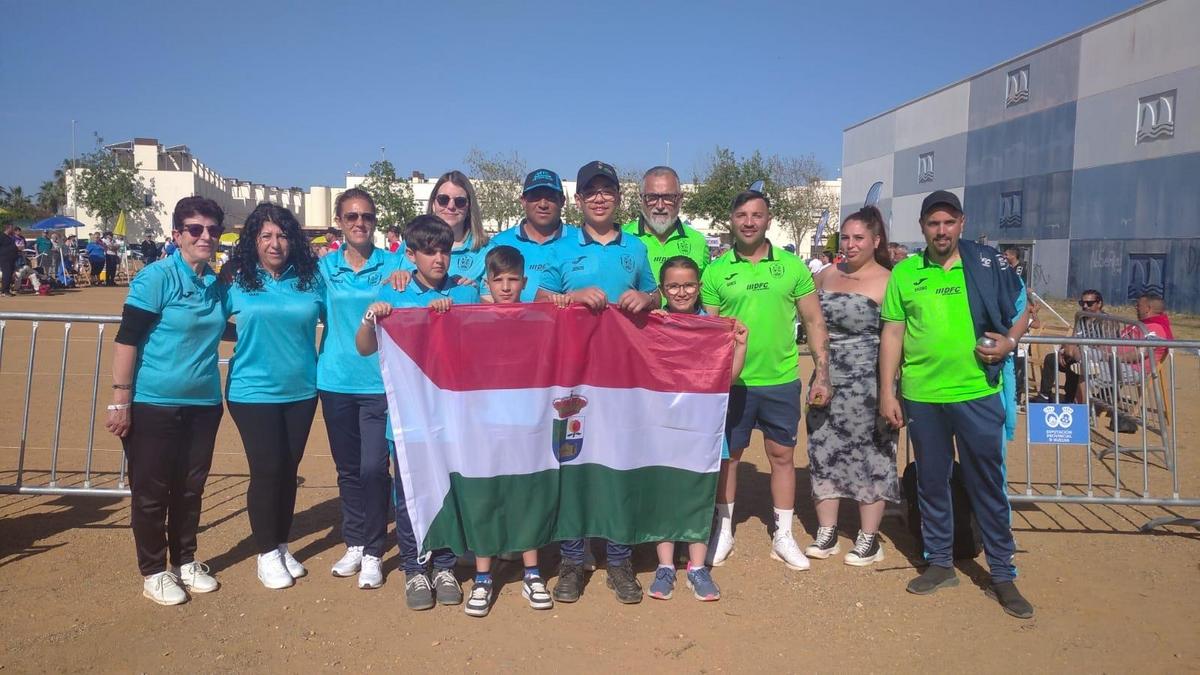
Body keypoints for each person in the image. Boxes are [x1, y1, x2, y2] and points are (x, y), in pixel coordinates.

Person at [879, 190, 1034, 619]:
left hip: (977, 394)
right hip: (923, 397)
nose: (941, 230)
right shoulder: (906, 273)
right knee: (932, 481)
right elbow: (892, 334)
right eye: (933, 223)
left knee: (987, 483)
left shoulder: (988, 266)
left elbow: (1025, 309)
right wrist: (887, 391)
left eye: (949, 222)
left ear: (961, 223)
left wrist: (1010, 341)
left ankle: (1002, 573)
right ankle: (941, 562)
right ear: (923, 227)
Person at [537, 160, 658, 605]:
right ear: (580, 200)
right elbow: (539, 296)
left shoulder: (637, 249)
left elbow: (657, 294)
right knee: (573, 464)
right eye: (592, 191)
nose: (600, 197)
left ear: (618, 198)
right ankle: (573, 557)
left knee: (619, 463)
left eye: (607, 190)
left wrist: (647, 296)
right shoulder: (563, 249)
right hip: (573, 379)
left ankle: (620, 557)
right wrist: (572, 297)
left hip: (624, 380)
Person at [104, 196, 228, 606]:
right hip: (154, 402)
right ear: (177, 235)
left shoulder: (215, 283)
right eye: (195, 229)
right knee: (152, 491)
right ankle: (154, 571)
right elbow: (128, 338)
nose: (205, 236)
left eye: (211, 229)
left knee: (191, 488)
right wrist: (121, 399)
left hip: (204, 403)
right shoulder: (155, 278)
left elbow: (224, 328)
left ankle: (186, 561)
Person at [700, 188, 831, 571]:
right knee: (729, 459)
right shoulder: (715, 271)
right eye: (741, 215)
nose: (749, 221)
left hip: (780, 380)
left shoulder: (792, 267)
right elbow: (708, 332)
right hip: (734, 385)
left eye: (757, 215)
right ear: (732, 220)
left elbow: (814, 321)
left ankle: (784, 534)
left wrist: (822, 371)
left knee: (783, 457)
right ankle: (723, 531)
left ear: (768, 220)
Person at [355, 214, 477, 611]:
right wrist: (370, 316)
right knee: (409, 498)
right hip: (407, 422)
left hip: (451, 419)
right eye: (429, 252)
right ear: (411, 255)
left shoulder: (464, 294)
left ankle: (444, 565)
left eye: (444, 250)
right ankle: (414, 568)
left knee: (447, 492)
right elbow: (364, 347)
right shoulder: (396, 296)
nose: (438, 259)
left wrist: (455, 312)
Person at [442, 245, 556, 617]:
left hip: (527, 423)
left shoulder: (540, 318)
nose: (506, 287)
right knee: (485, 495)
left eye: (512, 280)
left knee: (526, 494)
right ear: (486, 281)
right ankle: (483, 576)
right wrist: (437, 314)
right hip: (484, 424)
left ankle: (532, 572)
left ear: (524, 282)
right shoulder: (471, 319)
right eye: (498, 279)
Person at [225, 203, 325, 590]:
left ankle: (281, 544)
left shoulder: (310, 280)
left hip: (301, 390)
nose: (275, 243)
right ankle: (265, 553)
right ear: (254, 240)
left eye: (282, 235)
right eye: (266, 235)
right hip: (252, 391)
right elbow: (208, 321)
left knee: (287, 469)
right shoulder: (236, 279)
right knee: (266, 469)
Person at [316, 187, 404, 591]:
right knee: (348, 469)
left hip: (378, 382)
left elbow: (416, 290)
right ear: (339, 221)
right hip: (334, 380)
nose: (359, 223)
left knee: (373, 468)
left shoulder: (394, 263)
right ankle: (353, 541)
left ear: (374, 221)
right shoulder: (325, 269)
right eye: (351, 216)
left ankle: (373, 549)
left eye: (366, 217)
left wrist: (405, 277)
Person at [646, 256, 746, 602]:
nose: (682, 291)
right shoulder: (654, 323)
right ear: (662, 290)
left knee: (699, 492)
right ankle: (664, 566)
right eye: (673, 285)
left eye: (688, 284)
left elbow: (727, 379)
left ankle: (698, 567)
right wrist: (648, 324)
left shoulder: (713, 327)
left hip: (703, 426)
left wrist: (740, 346)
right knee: (664, 493)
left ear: (700, 287)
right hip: (665, 426)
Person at [803, 206, 899, 567]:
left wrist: (889, 390)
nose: (851, 244)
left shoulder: (890, 280)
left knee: (871, 454)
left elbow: (895, 335)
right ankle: (826, 532)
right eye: (845, 237)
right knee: (823, 449)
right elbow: (811, 322)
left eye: (859, 238)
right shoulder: (826, 274)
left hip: (869, 382)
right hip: (825, 379)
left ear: (876, 241)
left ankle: (869, 538)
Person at [489, 168, 578, 302]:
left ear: (562, 201)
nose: (543, 204)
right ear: (523, 201)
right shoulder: (498, 243)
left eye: (550, 197)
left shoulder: (579, 241)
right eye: (535, 197)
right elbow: (486, 299)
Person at [402, 171, 492, 284]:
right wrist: (396, 276)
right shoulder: (409, 243)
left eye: (460, 201)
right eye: (443, 199)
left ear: (469, 207)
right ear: (433, 204)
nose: (451, 206)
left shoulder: (488, 251)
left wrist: (473, 295)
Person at [622, 166, 709, 281]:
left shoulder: (698, 241)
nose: (660, 206)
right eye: (652, 197)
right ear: (641, 199)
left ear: (680, 199)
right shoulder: (621, 236)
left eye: (668, 197)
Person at [1033, 290, 1104, 404]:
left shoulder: (1105, 322)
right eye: (1082, 303)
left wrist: (1073, 349)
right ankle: (1044, 396)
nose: (1085, 306)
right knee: (1051, 359)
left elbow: (1102, 348)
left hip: (1092, 359)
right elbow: (1073, 337)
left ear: (1099, 303)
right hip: (1074, 354)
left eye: (1089, 303)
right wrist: (1063, 350)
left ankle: (1069, 399)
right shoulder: (1081, 318)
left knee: (1074, 364)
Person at [0, 222, 20, 296]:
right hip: (5, 259)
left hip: (11, 259)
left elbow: (12, 247)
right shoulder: (2, 236)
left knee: (10, 274)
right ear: (8, 228)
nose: (13, 230)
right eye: (12, 228)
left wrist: (18, 249)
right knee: (7, 274)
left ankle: (5, 290)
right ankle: (5, 291)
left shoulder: (10, 237)